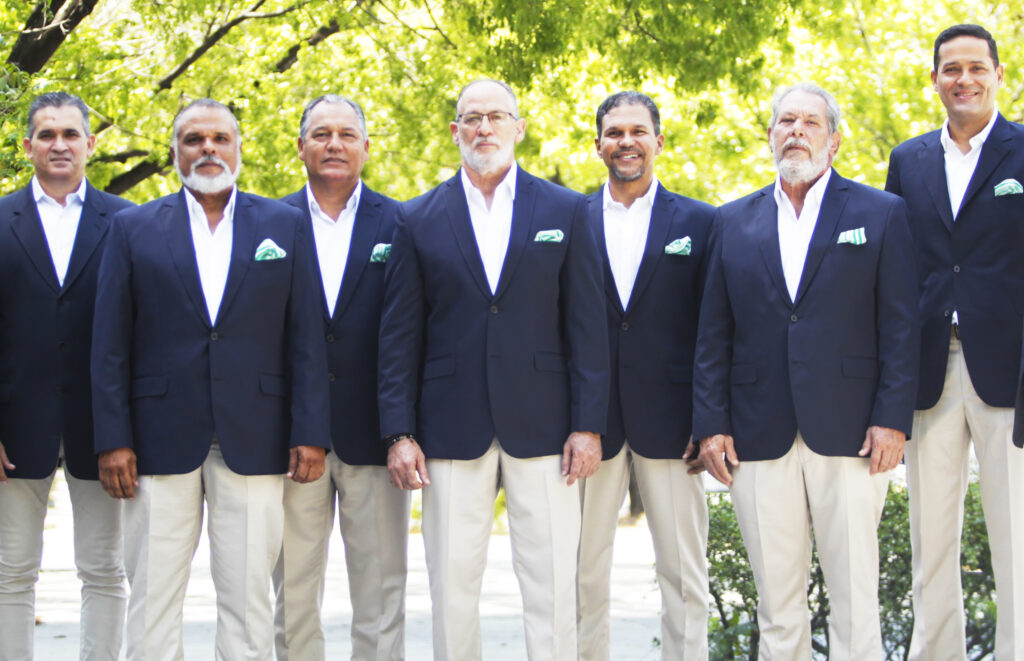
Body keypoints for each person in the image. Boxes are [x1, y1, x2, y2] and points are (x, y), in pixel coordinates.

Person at [91, 98, 330, 661]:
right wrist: (113, 439)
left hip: (256, 436)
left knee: (248, 602)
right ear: (174, 150)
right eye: (194, 139)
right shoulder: (132, 228)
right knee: (152, 598)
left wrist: (310, 431)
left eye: (220, 139)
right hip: (156, 440)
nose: (208, 149)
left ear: (239, 148)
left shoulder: (285, 226)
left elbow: (306, 338)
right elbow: (109, 345)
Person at [378, 79, 609, 661]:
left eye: (497, 117)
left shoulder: (567, 210)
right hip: (449, 428)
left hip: (547, 428)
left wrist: (588, 424)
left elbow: (587, 326)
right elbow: (399, 336)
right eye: (471, 118)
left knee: (552, 586)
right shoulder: (416, 217)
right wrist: (399, 433)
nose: (484, 128)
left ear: (518, 128)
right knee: (451, 587)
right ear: (454, 130)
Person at [695, 83, 918, 659]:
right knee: (776, 605)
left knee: (855, 598)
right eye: (785, 121)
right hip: (756, 434)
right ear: (770, 136)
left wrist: (893, 419)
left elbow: (900, 326)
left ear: (834, 140)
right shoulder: (730, 221)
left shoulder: (881, 213)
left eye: (811, 122)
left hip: (853, 433)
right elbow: (713, 334)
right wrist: (711, 424)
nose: (796, 131)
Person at [886, 23, 1024, 661]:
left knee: (1015, 539)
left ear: (998, 75)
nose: (963, 79)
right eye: (951, 69)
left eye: (976, 67)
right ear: (935, 79)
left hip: (1009, 374)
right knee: (930, 540)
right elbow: (894, 272)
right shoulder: (908, 159)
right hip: (930, 368)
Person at [576, 90, 713, 661]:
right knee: (581, 574)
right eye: (614, 133)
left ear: (658, 140)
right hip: (589, 425)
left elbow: (713, 329)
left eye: (637, 131)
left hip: (675, 424)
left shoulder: (702, 221)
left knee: (685, 575)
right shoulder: (571, 218)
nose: (626, 142)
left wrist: (708, 419)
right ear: (598, 145)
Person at [272, 94, 409, 661]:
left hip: (375, 434)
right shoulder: (266, 222)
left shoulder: (402, 222)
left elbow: (409, 335)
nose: (334, 144)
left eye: (347, 135)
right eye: (322, 134)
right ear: (300, 146)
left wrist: (403, 431)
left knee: (381, 591)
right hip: (292, 439)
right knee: (294, 593)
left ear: (366, 147)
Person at [0, 91, 132, 661]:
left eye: (70, 134)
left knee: (104, 569)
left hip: (101, 430)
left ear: (90, 144)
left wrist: (124, 431)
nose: (59, 144)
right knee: (10, 572)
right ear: (27, 145)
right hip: (14, 426)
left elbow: (139, 332)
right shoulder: (0, 219)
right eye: (47, 134)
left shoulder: (127, 221)